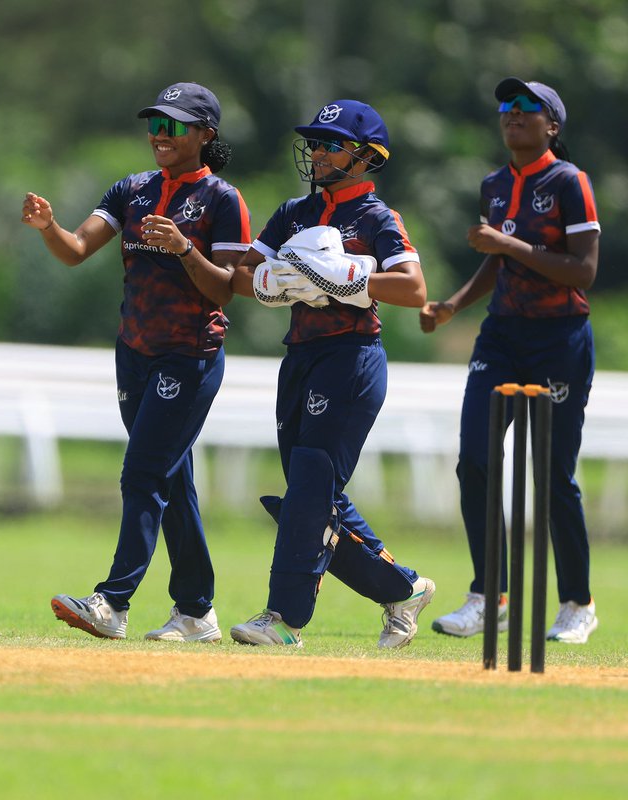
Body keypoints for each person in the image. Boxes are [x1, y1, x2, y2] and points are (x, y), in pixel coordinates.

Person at [23, 83, 250, 643]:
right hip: (135, 354)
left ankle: (113, 603)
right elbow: (76, 249)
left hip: (189, 356)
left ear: (204, 135)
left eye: (173, 126)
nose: (159, 135)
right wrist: (49, 226)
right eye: (155, 124)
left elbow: (226, 291)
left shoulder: (224, 200)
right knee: (170, 481)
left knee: (143, 474)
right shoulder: (133, 189)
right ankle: (196, 612)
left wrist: (183, 248)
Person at [226, 99, 435, 648]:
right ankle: (403, 588)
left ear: (365, 156)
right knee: (315, 494)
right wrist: (273, 283)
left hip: (351, 358)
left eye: (330, 143)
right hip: (299, 356)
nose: (316, 152)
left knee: (312, 488)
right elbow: (243, 276)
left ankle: (284, 619)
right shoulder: (292, 212)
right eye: (315, 142)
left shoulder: (377, 219)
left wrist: (348, 278)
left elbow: (413, 289)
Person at [421, 78, 600, 644]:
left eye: (527, 108)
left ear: (552, 125)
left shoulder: (569, 182)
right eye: (506, 107)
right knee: (475, 459)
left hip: (559, 338)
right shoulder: (494, 184)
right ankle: (488, 596)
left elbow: (583, 270)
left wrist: (509, 246)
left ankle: (577, 602)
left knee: (552, 477)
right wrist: (452, 303)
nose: (513, 115)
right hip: (501, 336)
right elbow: (499, 266)